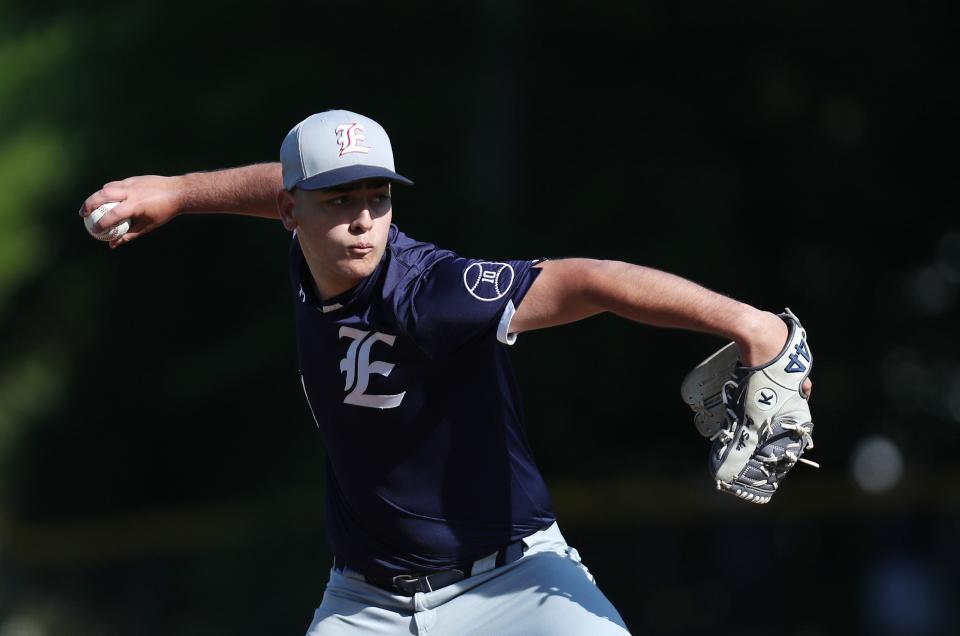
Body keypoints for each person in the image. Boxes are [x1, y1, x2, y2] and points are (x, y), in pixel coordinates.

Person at [81, 109, 811, 635]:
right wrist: (177, 191)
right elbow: (280, 175)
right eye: (342, 198)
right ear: (289, 214)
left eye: (379, 195)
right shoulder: (310, 241)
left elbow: (591, 280)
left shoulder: (433, 291)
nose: (366, 217)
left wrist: (755, 326)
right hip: (363, 604)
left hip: (515, 582)